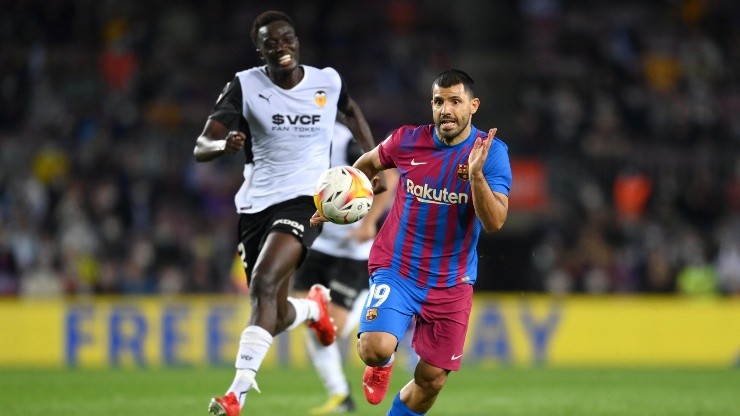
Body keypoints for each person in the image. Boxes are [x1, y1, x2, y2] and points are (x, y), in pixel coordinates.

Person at [193, 10, 379, 416]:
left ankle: (235, 395)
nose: (281, 46)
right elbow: (201, 145)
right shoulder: (244, 86)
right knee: (272, 315)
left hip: (305, 201)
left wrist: (372, 161)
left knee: (261, 283)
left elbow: (352, 111)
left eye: (287, 38)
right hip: (255, 204)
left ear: (297, 41)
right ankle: (314, 308)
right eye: (270, 42)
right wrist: (221, 146)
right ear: (259, 49)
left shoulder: (326, 81)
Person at [312, 69, 512, 415]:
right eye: (438, 101)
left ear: (473, 106)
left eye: (455, 101)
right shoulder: (406, 140)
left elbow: (494, 222)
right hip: (397, 267)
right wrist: (344, 198)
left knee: (432, 379)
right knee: (373, 347)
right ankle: (382, 362)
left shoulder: (491, 154)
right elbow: (369, 163)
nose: (445, 109)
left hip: (452, 280)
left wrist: (476, 175)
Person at [292, 121, 397, 415]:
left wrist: (370, 221)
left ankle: (366, 298)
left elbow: (389, 172)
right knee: (311, 321)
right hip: (319, 244)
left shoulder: (343, 141)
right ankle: (340, 395)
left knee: (333, 328)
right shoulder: (294, 139)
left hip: (353, 249)